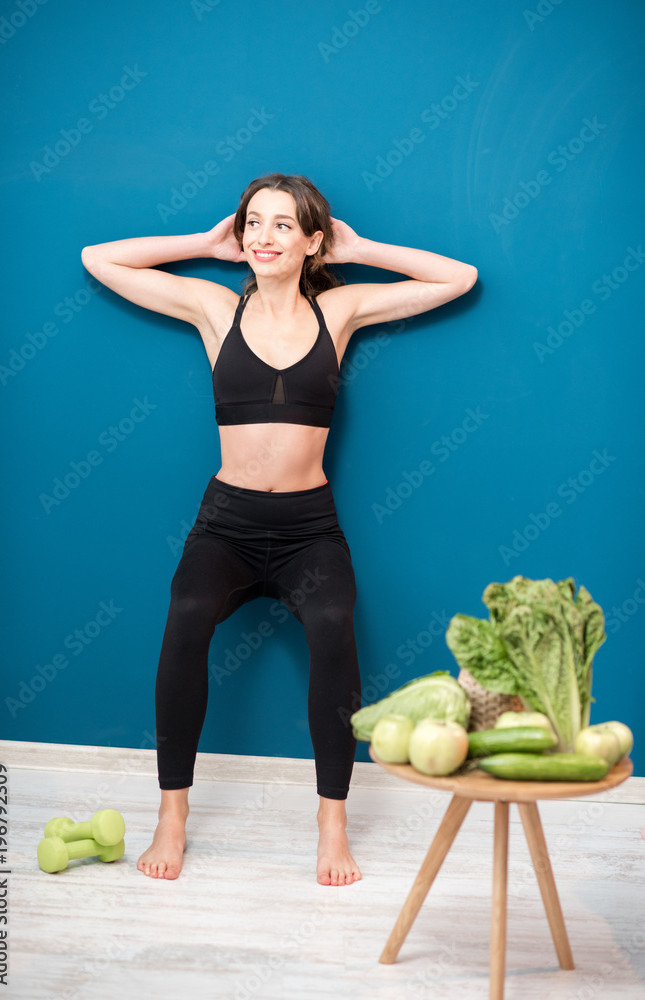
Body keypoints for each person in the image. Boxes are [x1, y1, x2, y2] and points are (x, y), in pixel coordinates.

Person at [81, 172, 477, 885]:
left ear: (311, 242)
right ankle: (172, 812)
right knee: (187, 614)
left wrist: (363, 247)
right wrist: (203, 243)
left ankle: (332, 821)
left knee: (332, 626)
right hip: (226, 523)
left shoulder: (340, 311)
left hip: (307, 529)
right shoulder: (211, 308)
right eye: (253, 223)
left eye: (282, 226)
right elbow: (98, 259)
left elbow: (459, 277)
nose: (263, 237)